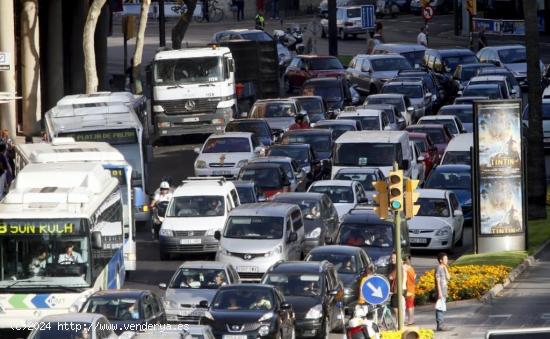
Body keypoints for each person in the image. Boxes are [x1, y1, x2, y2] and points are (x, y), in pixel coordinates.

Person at [388, 252, 407, 320]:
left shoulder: (397, 267)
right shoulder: (397, 266)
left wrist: (389, 276)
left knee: (395, 307)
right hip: (397, 290)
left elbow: (391, 277)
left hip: (396, 290)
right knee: (396, 307)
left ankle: (398, 322)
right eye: (392, 258)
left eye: (394, 258)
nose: (392, 259)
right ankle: (399, 321)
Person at [435, 252, 451, 331]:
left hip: (444, 291)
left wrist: (446, 268)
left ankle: (441, 324)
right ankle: (440, 325)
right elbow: (437, 281)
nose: (447, 260)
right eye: (445, 259)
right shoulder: (438, 268)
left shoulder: (443, 268)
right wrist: (440, 292)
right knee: (440, 308)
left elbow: (448, 278)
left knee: (442, 307)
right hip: (440, 291)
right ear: (441, 260)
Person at [403, 255, 417, 325]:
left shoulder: (406, 269)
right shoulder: (411, 268)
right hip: (411, 289)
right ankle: (411, 319)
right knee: (411, 305)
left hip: (408, 289)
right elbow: (414, 278)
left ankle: (410, 320)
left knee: (409, 305)